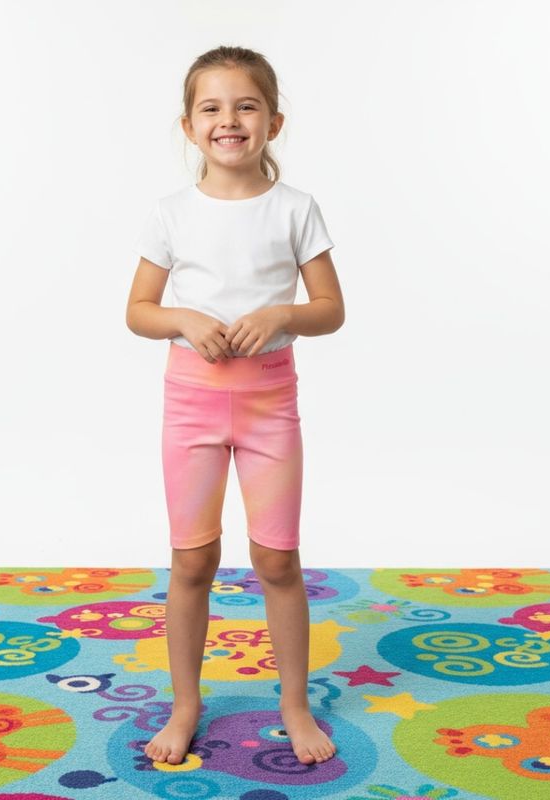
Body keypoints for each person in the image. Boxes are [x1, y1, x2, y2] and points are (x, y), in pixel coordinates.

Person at [126, 44, 345, 767]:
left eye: (246, 106)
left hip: (268, 405)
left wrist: (282, 313)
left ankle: (294, 704)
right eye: (212, 108)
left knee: (276, 558)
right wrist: (183, 319)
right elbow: (138, 310)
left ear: (273, 122)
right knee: (193, 559)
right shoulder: (171, 213)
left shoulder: (295, 209)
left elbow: (330, 308)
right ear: (189, 126)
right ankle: (185, 704)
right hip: (191, 404)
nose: (229, 120)